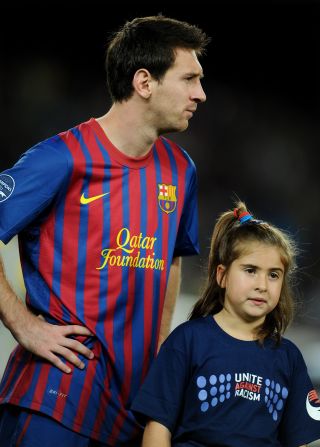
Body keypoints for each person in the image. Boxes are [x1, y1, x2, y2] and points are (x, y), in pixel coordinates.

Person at [0, 15, 210, 446]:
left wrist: (158, 349)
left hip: (130, 410)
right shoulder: (62, 158)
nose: (200, 94)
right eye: (189, 78)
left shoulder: (180, 170)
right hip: (56, 396)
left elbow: (171, 258)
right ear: (144, 82)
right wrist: (23, 324)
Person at [132, 201, 320, 446]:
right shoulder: (187, 340)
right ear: (222, 275)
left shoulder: (290, 358)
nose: (262, 285)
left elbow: (300, 441)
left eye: (273, 274)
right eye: (250, 270)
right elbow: (157, 429)